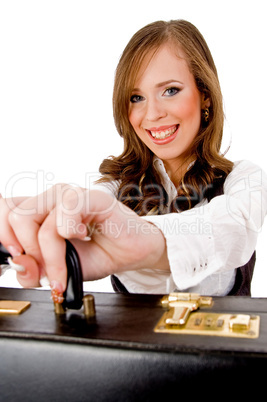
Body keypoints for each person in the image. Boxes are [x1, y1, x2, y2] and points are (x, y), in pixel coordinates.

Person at [0, 19, 267, 300]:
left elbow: (233, 226)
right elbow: (83, 212)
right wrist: (21, 238)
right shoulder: (113, 191)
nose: (152, 115)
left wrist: (143, 238)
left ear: (205, 96)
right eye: (136, 97)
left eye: (170, 91)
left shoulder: (245, 179)